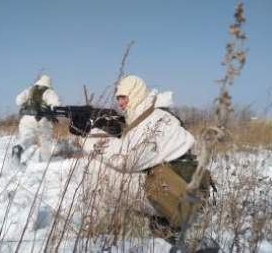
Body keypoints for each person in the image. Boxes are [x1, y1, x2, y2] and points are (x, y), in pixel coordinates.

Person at [75, 75, 211, 244]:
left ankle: (191, 237)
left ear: (136, 93)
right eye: (118, 98)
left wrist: (85, 139)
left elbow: (127, 159)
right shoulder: (148, 114)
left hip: (184, 191)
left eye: (124, 97)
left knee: (104, 171)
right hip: (181, 185)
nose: (120, 103)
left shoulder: (155, 119)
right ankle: (173, 228)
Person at [12, 74, 61, 163]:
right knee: (45, 142)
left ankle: (19, 148)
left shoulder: (30, 89)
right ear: (49, 83)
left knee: (28, 137)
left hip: (26, 119)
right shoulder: (49, 91)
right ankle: (43, 164)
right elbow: (56, 104)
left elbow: (18, 100)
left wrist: (28, 105)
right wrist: (51, 112)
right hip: (42, 120)